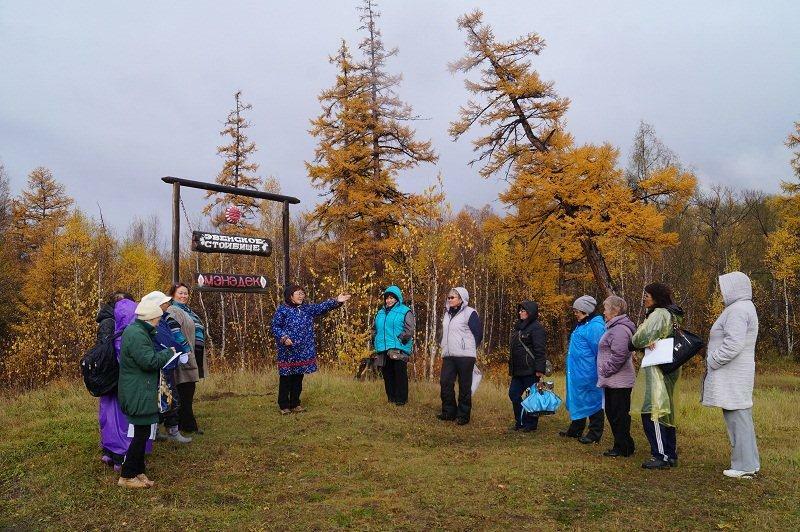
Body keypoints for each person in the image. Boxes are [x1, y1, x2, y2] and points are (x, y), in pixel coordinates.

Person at [117, 300, 187, 488]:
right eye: (157, 319)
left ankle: (138, 471)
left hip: (141, 389)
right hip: (138, 391)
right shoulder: (137, 335)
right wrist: (168, 353)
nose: (158, 323)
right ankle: (127, 476)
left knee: (144, 432)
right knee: (141, 435)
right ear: (150, 319)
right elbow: (148, 361)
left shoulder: (139, 331)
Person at [702, 272, 760, 479]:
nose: (721, 291)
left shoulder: (737, 310)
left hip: (733, 373)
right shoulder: (743, 308)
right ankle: (749, 463)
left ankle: (743, 466)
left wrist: (712, 360)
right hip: (736, 373)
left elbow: (734, 344)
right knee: (740, 416)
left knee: (737, 417)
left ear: (735, 288)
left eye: (725, 287)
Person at [271, 284, 351, 414]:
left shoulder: (306, 309)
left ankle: (295, 404)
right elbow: (275, 327)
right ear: (290, 296)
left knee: (298, 378)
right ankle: (284, 406)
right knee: (286, 378)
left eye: (302, 294)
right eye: (298, 294)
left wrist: (336, 301)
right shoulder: (282, 310)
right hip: (287, 351)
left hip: (302, 351)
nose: (301, 296)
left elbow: (321, 307)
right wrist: (284, 338)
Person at [630, 282, 684, 470]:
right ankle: (671, 453)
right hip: (671, 368)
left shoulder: (659, 314)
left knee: (653, 410)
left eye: (647, 295)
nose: (645, 298)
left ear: (656, 297)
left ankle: (660, 454)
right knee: (666, 410)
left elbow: (638, 338)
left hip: (657, 367)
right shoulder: (674, 314)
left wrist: (642, 341)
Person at [141, 291, 193, 444]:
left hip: (167, 364)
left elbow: (170, 339)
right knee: (165, 399)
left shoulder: (162, 319)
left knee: (169, 398)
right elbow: (164, 342)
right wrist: (180, 351)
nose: (168, 304)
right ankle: (162, 431)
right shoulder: (152, 321)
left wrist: (181, 351)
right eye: (165, 302)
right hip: (160, 366)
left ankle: (168, 430)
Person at [97, 293, 136, 470]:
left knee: (108, 414)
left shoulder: (106, 320)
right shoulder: (119, 323)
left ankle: (109, 451)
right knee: (121, 416)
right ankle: (121, 455)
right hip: (118, 376)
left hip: (106, 376)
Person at [561, 295, 606, 444]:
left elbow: (599, 351)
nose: (575, 314)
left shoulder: (595, 327)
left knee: (594, 402)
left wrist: (598, 372)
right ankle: (576, 429)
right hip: (577, 372)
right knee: (578, 399)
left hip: (589, 372)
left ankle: (595, 433)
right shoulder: (582, 324)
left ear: (586, 311)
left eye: (577, 311)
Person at [597, 295, 636, 457]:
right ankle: (624, 445)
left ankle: (623, 447)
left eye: (606, 308)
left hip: (619, 380)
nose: (604, 312)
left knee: (618, 414)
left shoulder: (619, 329)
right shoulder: (613, 327)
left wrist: (605, 370)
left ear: (615, 310)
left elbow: (620, 354)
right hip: (613, 380)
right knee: (614, 413)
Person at [438, 287, 483, 426]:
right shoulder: (447, 314)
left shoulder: (470, 313)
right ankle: (449, 412)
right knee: (445, 382)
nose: (450, 299)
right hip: (449, 354)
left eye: (453, 297)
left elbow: (478, 334)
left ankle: (463, 415)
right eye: (449, 297)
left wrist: (467, 347)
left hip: (465, 356)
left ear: (461, 298)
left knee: (464, 386)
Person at [166, 283, 205, 435]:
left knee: (188, 389)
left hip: (195, 354)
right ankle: (188, 425)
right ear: (173, 294)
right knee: (185, 390)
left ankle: (184, 422)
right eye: (180, 293)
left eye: (186, 293)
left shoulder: (187, 311)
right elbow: (175, 331)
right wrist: (185, 351)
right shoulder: (173, 310)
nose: (184, 296)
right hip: (184, 356)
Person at [373, 285, 415, 406]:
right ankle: (391, 399)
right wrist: (374, 340)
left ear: (397, 298)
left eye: (392, 298)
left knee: (399, 374)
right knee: (387, 374)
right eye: (387, 298)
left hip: (398, 347)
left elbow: (410, 328)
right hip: (382, 348)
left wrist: (401, 339)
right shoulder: (380, 313)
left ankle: (401, 400)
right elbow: (374, 329)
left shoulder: (405, 310)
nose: (389, 300)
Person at [508, 301, 546, 432]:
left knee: (532, 397)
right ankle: (520, 421)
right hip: (517, 370)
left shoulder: (537, 328)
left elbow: (540, 350)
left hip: (531, 370)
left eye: (523, 310)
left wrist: (540, 369)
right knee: (513, 394)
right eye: (519, 310)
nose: (520, 312)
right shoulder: (518, 327)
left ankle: (531, 424)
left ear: (530, 312)